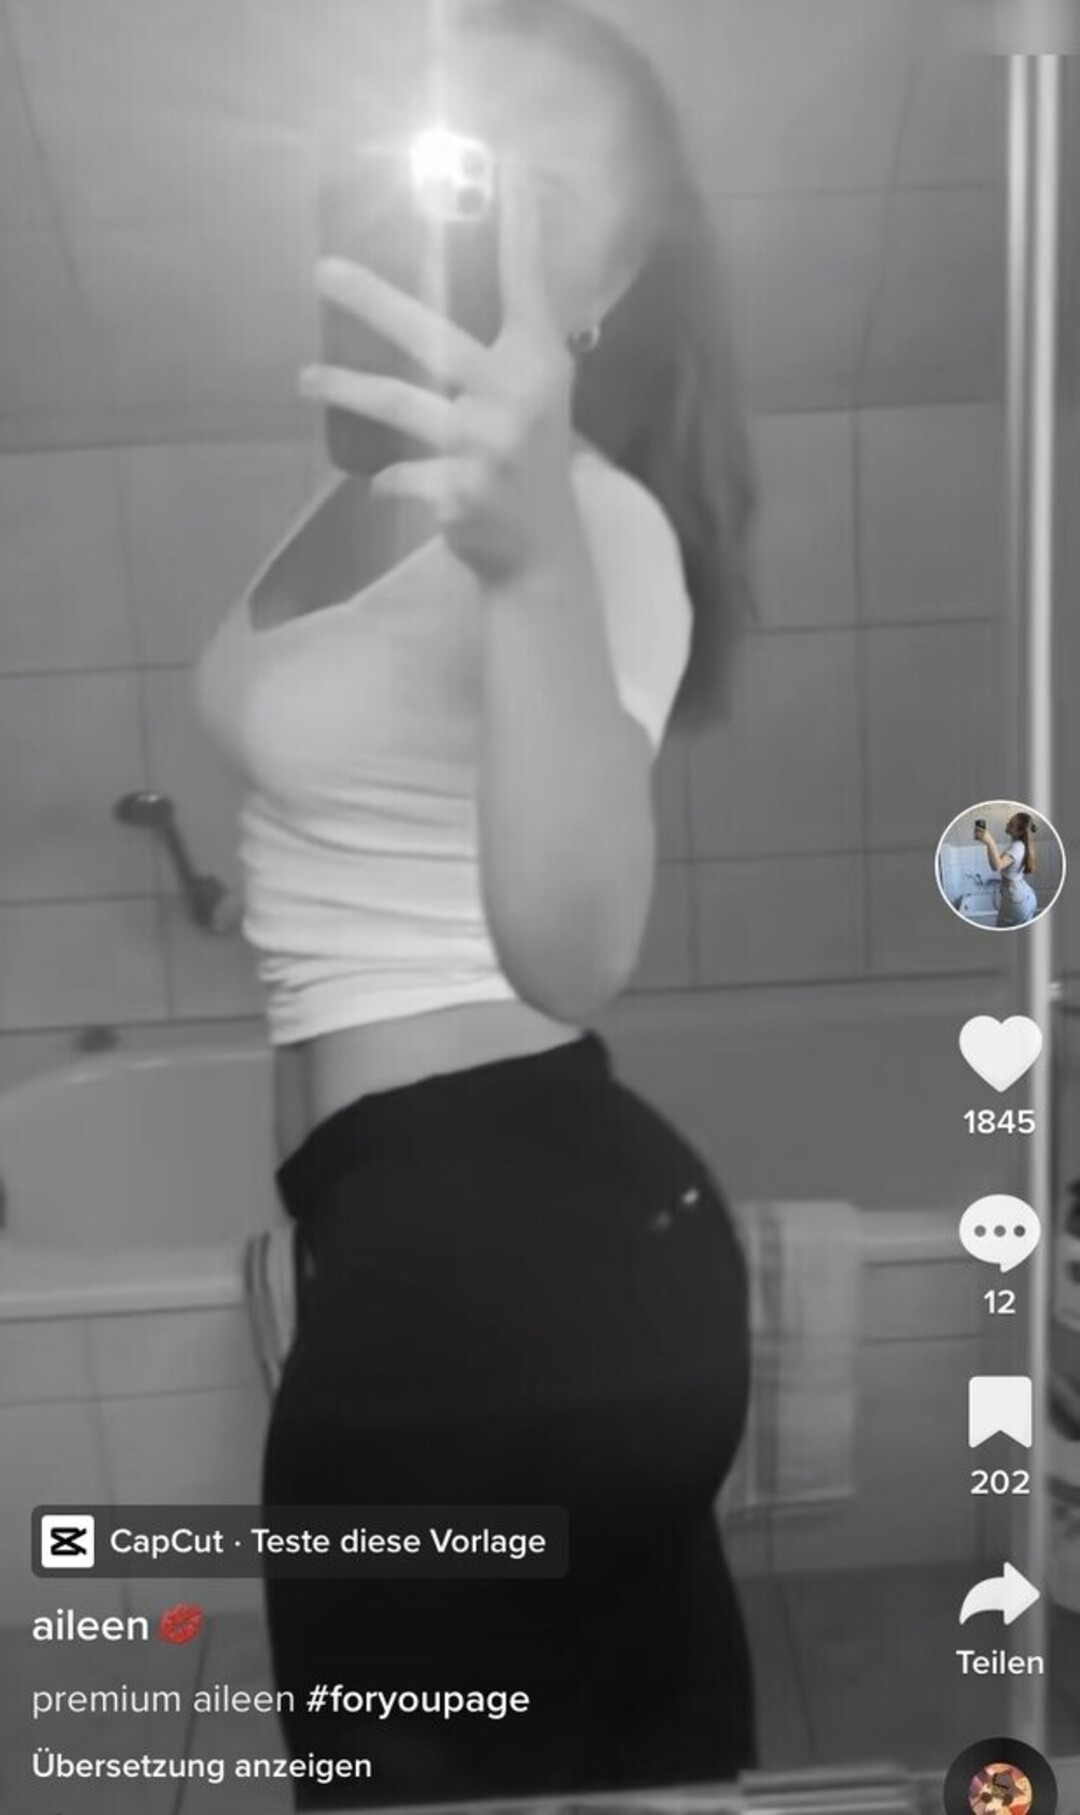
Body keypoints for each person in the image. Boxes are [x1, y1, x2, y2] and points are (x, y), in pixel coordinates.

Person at [195, 0, 757, 1804]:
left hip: (511, 1271)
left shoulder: (595, 528)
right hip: (422, 1240)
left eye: (554, 185)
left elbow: (576, 953)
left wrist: (532, 567)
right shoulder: (347, 475)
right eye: (467, 149)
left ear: (615, 272)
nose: (500, 200)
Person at [975, 811, 1038, 927]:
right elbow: (996, 863)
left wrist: (990, 842)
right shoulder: (1019, 845)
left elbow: (996, 866)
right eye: (1010, 821)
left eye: (1011, 824)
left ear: (1019, 832)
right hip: (1023, 896)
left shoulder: (1017, 847)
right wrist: (988, 844)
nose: (1007, 823)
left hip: (1017, 900)